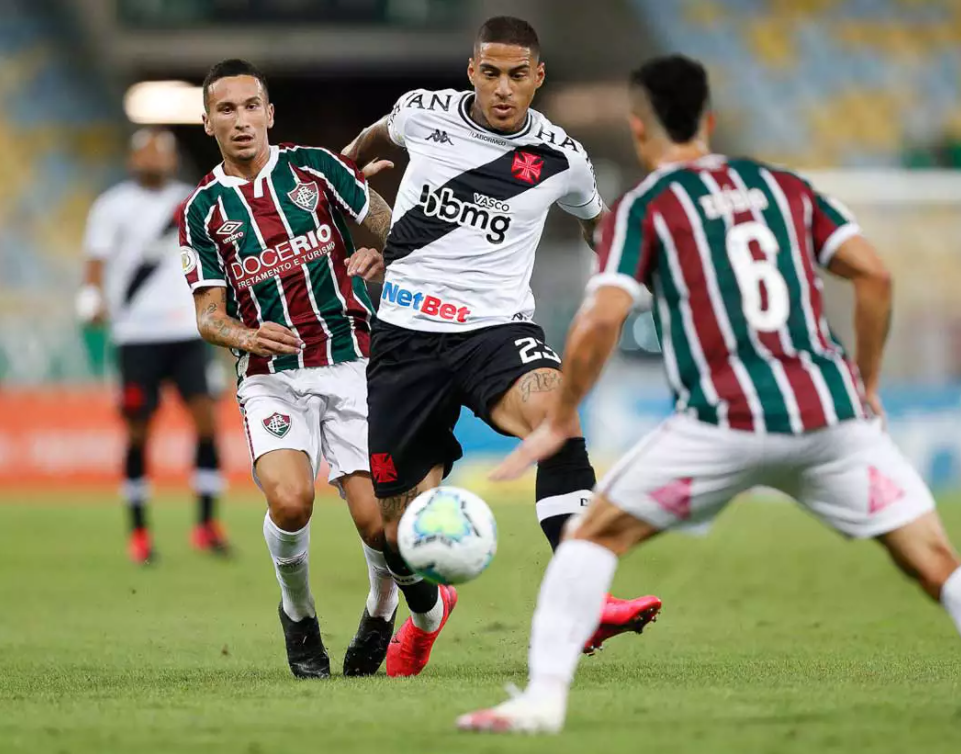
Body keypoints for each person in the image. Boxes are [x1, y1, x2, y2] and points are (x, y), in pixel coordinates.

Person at [457, 54, 961, 734]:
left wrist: (560, 419)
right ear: (708, 120)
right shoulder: (783, 187)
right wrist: (869, 382)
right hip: (832, 420)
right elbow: (874, 275)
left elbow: (602, 316)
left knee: (590, 539)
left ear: (639, 130)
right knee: (937, 562)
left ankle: (543, 702)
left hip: (721, 424)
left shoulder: (647, 206)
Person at [341, 15, 661, 678]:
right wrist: (345, 173)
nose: (504, 88)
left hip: (496, 332)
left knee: (557, 419)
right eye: (491, 72)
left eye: (519, 75)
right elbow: (373, 137)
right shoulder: (422, 113)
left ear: (538, 77)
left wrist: (631, 278)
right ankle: (427, 617)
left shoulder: (561, 158)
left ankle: (587, 601)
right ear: (472, 72)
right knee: (393, 532)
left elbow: (599, 224)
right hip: (405, 338)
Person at [181, 58, 401, 679]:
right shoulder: (202, 211)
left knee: (377, 522)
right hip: (271, 375)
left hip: (351, 357)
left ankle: (380, 613)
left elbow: (390, 231)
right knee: (290, 500)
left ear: (270, 113)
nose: (242, 120)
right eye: (226, 110)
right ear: (207, 123)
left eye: (252, 106)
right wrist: (248, 334)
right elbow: (208, 316)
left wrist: (376, 251)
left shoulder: (317, 169)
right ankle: (299, 619)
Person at [79, 128, 228, 564]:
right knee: (138, 429)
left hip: (187, 332)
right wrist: (91, 297)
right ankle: (140, 532)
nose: (155, 161)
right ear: (132, 160)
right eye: (147, 154)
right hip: (136, 335)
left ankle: (206, 525)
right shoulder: (111, 205)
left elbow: (213, 257)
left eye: (162, 155)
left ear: (171, 160)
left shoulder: (190, 200)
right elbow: (95, 261)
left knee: (206, 422)